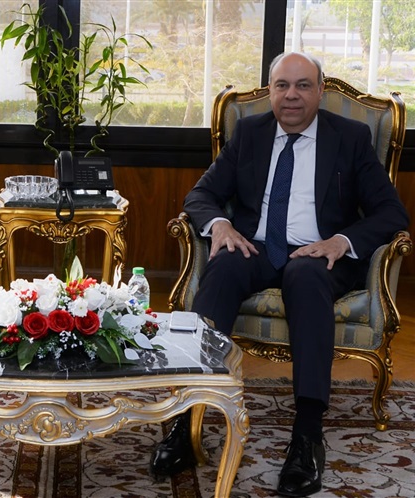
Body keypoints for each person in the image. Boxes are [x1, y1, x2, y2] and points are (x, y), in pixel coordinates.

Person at [149, 52, 409, 497]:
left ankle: (307, 436)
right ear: (270, 91)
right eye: (282, 85)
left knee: (305, 277)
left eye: (303, 85)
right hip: (256, 247)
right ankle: (187, 420)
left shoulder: (350, 137)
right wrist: (222, 225)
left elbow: (391, 212)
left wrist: (340, 241)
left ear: (320, 90)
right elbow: (201, 196)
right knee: (223, 266)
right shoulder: (250, 133)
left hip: (318, 254)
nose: (291, 95)